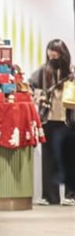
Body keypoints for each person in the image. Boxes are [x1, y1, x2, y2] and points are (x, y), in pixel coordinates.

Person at [30, 39, 75, 206]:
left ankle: (71, 195)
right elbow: (30, 85)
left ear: (62, 53)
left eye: (55, 52)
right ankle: (50, 196)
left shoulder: (71, 74)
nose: (52, 55)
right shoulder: (43, 71)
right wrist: (38, 95)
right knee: (48, 159)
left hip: (68, 121)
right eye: (50, 51)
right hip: (48, 119)